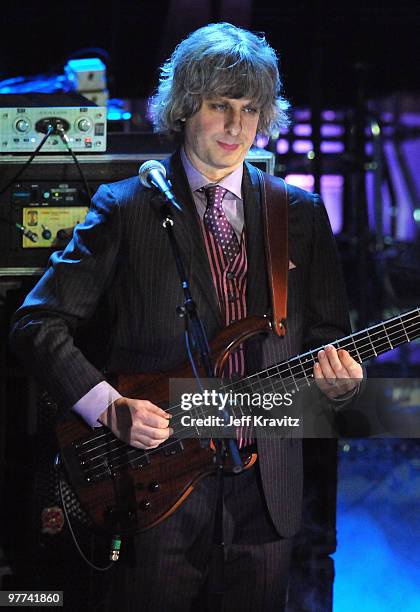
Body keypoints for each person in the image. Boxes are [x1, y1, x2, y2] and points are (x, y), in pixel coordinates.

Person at [10, 22, 363, 612]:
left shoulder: (299, 212)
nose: (236, 127)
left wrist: (342, 387)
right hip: (152, 486)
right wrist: (108, 406)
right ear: (183, 108)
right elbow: (36, 325)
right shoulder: (126, 207)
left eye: (251, 110)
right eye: (220, 106)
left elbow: (329, 345)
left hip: (266, 491)